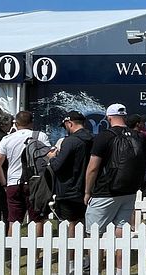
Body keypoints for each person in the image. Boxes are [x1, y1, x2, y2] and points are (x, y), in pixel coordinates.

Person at [85, 103, 146, 275]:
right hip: (129, 190)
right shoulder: (140, 136)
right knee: (122, 232)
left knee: (95, 236)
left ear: (108, 117)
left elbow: (93, 167)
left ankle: (95, 270)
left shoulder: (104, 137)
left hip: (105, 191)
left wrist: (87, 191)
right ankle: (119, 270)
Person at [48, 110, 94, 272]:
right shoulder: (93, 139)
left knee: (71, 227)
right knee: (90, 228)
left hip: (69, 189)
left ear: (70, 123)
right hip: (88, 189)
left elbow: (57, 166)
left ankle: (71, 263)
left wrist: (52, 157)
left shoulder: (70, 141)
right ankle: (89, 261)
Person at [0, 111, 50, 238]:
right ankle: (36, 254)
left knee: (13, 220)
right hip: (34, 182)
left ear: (15, 123)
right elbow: (47, 158)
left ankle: (13, 253)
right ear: (32, 123)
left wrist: (4, 184)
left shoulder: (6, 139)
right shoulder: (40, 136)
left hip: (13, 182)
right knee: (37, 219)